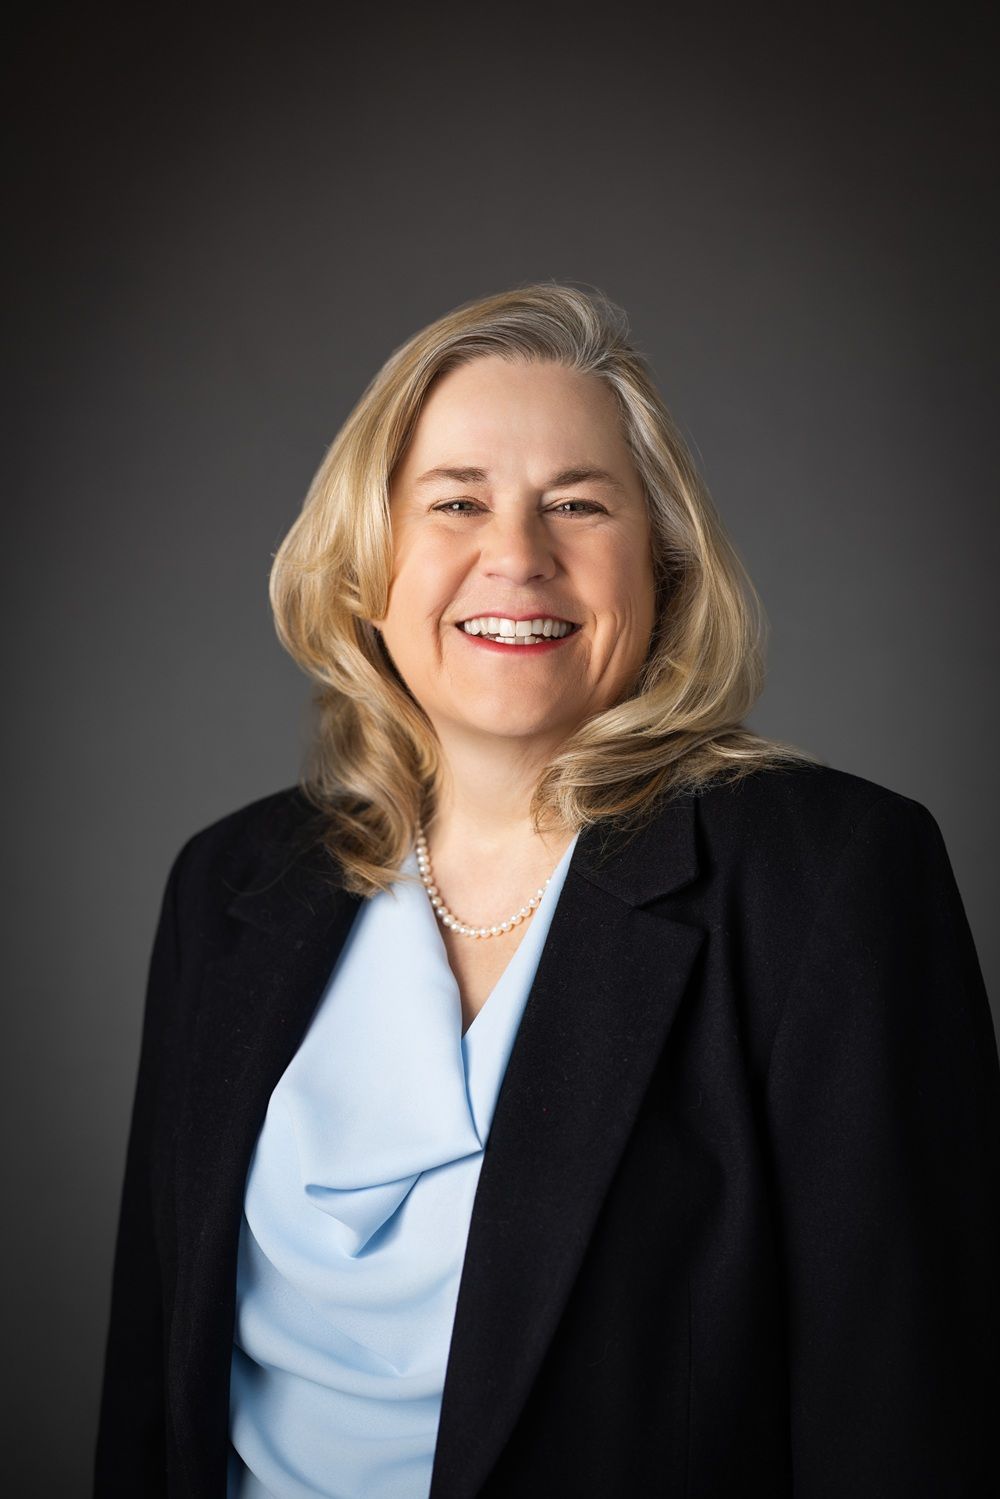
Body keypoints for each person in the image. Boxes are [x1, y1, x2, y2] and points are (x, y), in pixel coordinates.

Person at [93, 283, 1000, 1499]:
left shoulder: (830, 880)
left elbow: (908, 1419)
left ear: (663, 570)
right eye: (456, 501)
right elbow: (151, 1397)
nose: (516, 556)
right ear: (368, 564)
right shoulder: (228, 887)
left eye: (577, 503)